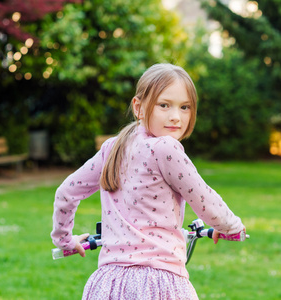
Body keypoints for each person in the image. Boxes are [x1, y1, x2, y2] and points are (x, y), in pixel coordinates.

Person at [51, 63, 246, 299]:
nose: (176, 116)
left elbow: (66, 192)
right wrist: (231, 227)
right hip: (158, 283)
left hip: (107, 284)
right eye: (164, 105)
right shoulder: (166, 148)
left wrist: (65, 240)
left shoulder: (112, 148)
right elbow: (204, 199)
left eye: (185, 107)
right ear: (139, 107)